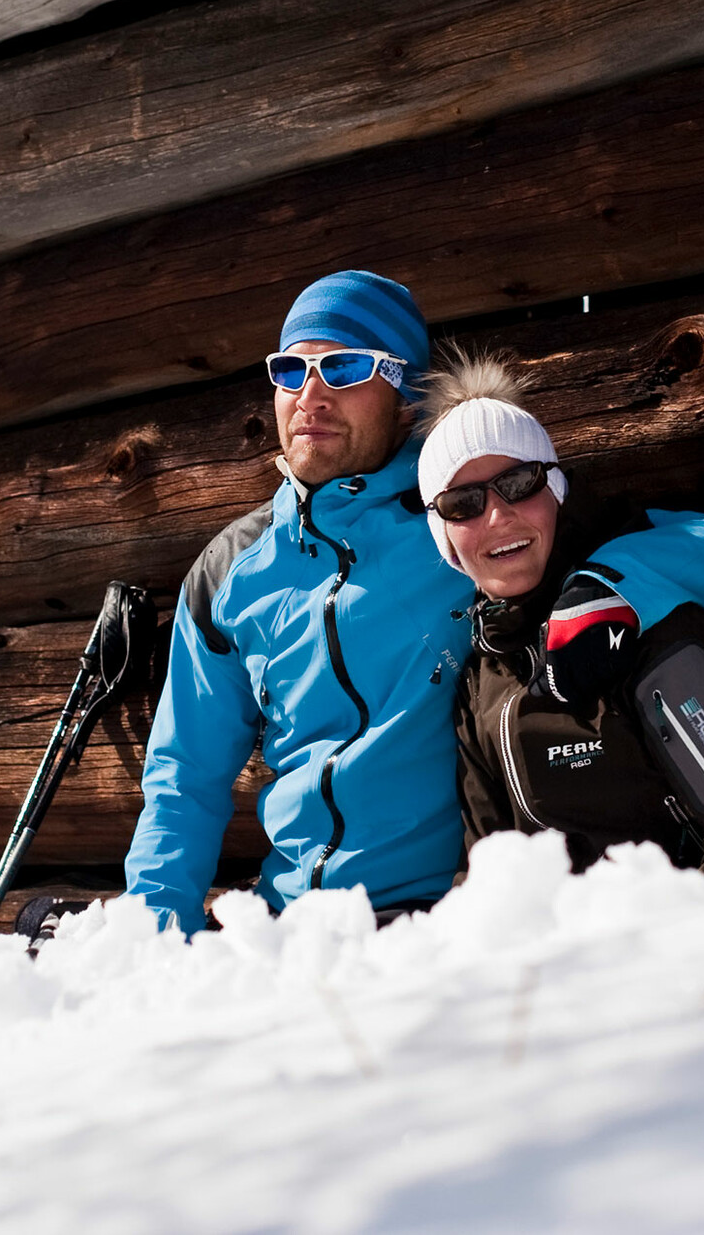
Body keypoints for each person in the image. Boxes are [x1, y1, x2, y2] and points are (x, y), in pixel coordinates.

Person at [123, 270, 472, 935]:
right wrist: (155, 940)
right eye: (292, 370)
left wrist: (614, 589)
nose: (310, 394)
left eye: (343, 367)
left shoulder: (466, 518)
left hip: (438, 929)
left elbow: (650, 546)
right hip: (290, 927)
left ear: (405, 395)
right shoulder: (232, 569)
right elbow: (184, 774)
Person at [417, 351, 704, 875]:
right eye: (463, 504)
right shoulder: (483, 675)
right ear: (446, 538)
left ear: (555, 490)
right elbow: (489, 882)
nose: (498, 515)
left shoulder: (656, 627)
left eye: (520, 483)